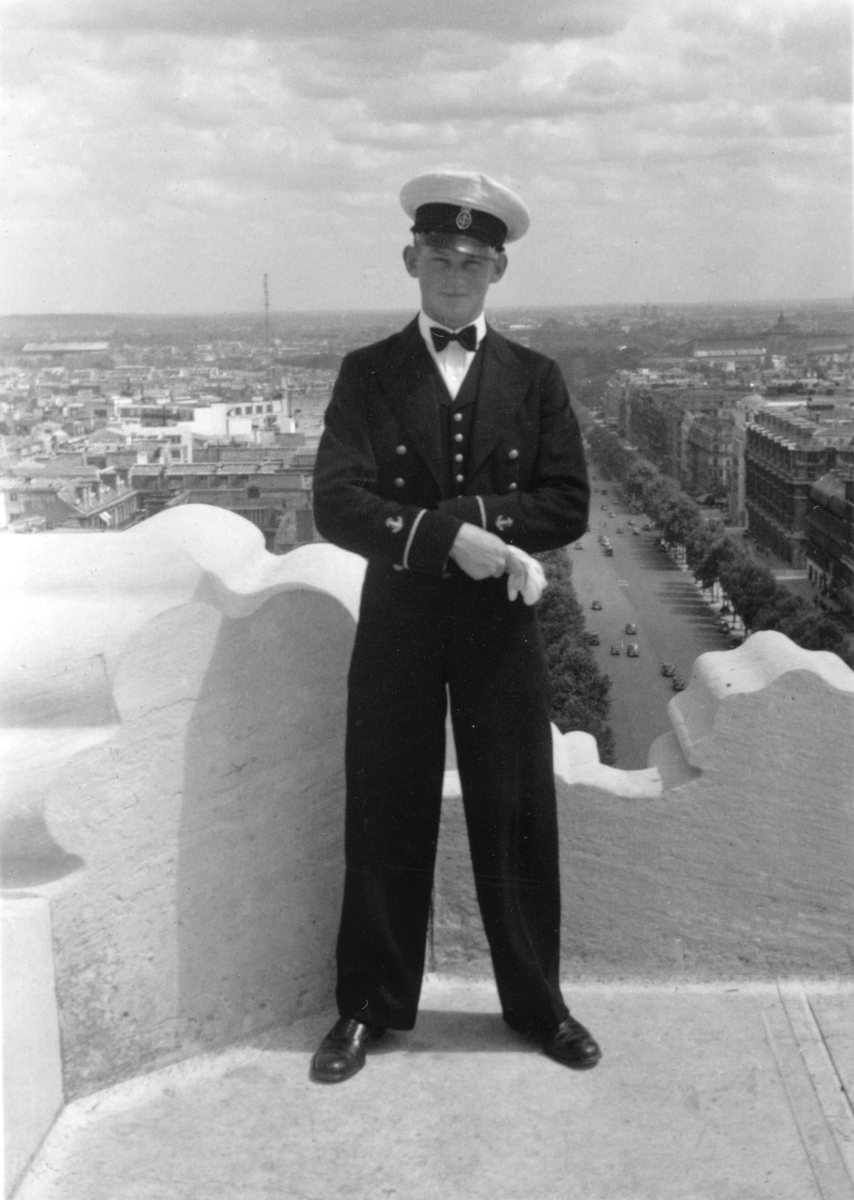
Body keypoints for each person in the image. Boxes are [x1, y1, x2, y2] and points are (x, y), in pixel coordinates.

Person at [309, 170, 600, 1083]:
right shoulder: (366, 374)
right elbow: (335, 503)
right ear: (411, 261)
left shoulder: (536, 378)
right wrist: (445, 542)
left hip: (497, 629)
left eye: (473, 261)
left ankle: (539, 1005)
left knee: (515, 812)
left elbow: (568, 503)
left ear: (498, 271)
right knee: (385, 807)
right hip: (397, 620)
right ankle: (368, 1008)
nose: (455, 274)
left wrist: (479, 521)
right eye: (440, 257)